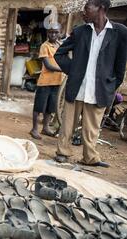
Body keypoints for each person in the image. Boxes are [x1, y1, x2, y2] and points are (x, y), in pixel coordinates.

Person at [54, 0, 127, 168]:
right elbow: (60, 54)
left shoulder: (120, 32)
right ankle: (63, 152)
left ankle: (90, 158)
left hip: (100, 89)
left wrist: (111, 85)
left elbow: (120, 65)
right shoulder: (80, 31)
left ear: (100, 9)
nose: (83, 12)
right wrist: (74, 70)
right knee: (67, 124)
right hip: (77, 86)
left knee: (92, 128)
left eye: (87, 8)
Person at [30, 23, 64, 140]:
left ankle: (45, 128)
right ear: (47, 33)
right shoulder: (45, 46)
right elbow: (48, 66)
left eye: (56, 32)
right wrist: (64, 69)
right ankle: (34, 129)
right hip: (45, 82)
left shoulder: (60, 45)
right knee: (39, 106)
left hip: (57, 82)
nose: (53, 34)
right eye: (50, 32)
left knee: (50, 107)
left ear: (60, 33)